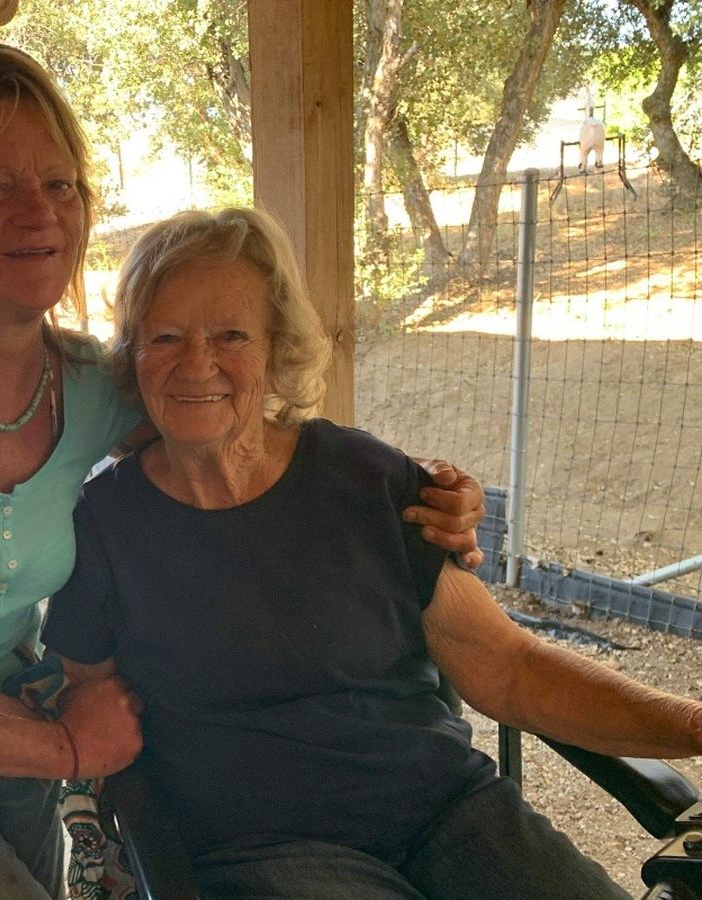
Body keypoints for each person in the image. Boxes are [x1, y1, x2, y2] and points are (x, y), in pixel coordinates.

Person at [0, 42, 487, 900]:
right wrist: (68, 746)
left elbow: (242, 433)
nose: (39, 213)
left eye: (60, 184)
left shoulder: (87, 383)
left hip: (1, 706)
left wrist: (410, 492)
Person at [42, 207, 702, 900]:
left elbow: (509, 670)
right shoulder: (105, 526)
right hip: (265, 848)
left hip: (449, 810)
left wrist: (691, 724)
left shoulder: (365, 479)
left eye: (231, 334)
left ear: (275, 348)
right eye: (165, 336)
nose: (197, 363)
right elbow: (93, 712)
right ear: (133, 356)